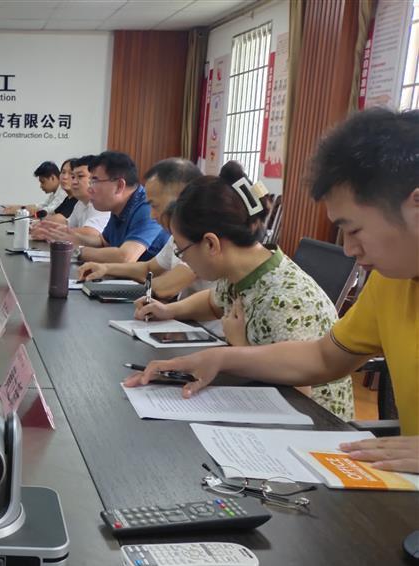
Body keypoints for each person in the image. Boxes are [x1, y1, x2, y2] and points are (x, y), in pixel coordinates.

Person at [127, 108, 418, 471]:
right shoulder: (392, 282)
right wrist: (220, 358)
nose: (348, 250)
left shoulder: (291, 293)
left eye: (355, 230)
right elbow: (323, 357)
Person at [128, 163, 354, 420]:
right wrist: (169, 310)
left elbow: (298, 398)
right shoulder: (245, 269)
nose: (183, 259)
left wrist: (239, 346)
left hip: (314, 423)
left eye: (182, 250)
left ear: (211, 244)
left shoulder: (283, 301)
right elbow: (214, 301)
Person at [76, 157, 204, 302]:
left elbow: (165, 288)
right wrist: (105, 268)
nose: (152, 215)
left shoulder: (201, 237)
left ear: (182, 199)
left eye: (154, 205)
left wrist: (122, 288)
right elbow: (148, 268)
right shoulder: (177, 236)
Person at [68, 151, 169, 263]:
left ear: (120, 186)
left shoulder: (148, 206)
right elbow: (103, 242)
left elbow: (125, 257)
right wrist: (73, 238)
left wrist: (76, 252)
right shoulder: (119, 205)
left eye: (94, 181)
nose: (89, 189)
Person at [33, 154, 110, 241]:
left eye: (80, 176)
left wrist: (50, 232)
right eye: (73, 177)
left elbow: (92, 233)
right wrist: (46, 229)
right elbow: (68, 225)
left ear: (94, 178)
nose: (74, 182)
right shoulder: (80, 203)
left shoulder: (101, 203)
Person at [1, 161, 68, 216]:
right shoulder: (54, 193)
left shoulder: (63, 192)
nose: (41, 186)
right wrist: (21, 207)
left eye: (43, 182)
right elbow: (41, 206)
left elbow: (48, 211)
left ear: (52, 178)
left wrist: (19, 211)